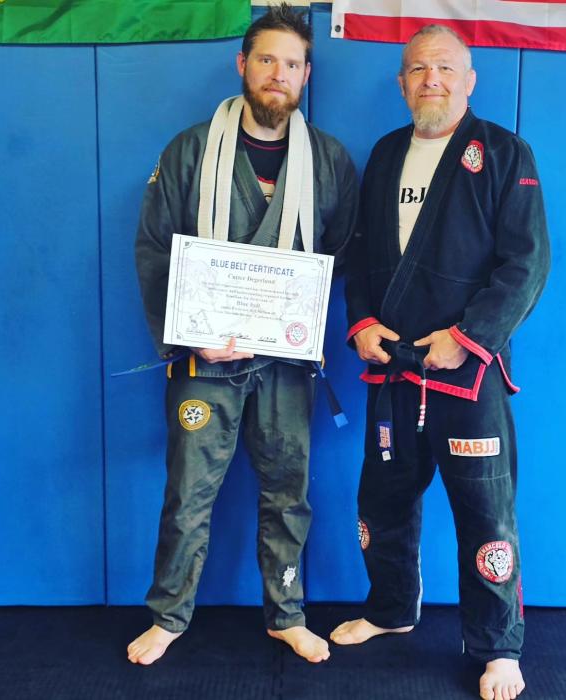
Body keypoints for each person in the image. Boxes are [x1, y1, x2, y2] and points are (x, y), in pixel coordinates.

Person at [128, 3, 358, 666]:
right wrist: (188, 335)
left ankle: (287, 614)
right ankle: (169, 616)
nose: (278, 73)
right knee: (188, 492)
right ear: (242, 65)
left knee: (289, 492)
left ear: (306, 74)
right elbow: (155, 248)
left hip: (284, 362)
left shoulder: (329, 161)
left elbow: (342, 253)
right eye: (266, 60)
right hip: (205, 360)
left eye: (292, 63)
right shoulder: (191, 150)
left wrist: (295, 315)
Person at [330, 25, 550, 700]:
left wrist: (468, 336)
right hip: (394, 369)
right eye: (418, 69)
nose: (432, 79)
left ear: (470, 80)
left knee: (486, 513)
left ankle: (498, 648)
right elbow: (360, 253)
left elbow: (527, 263)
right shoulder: (386, 153)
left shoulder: (504, 153)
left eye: (446, 68)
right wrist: (361, 321)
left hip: (468, 373)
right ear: (401, 84)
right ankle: (391, 609)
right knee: (382, 502)